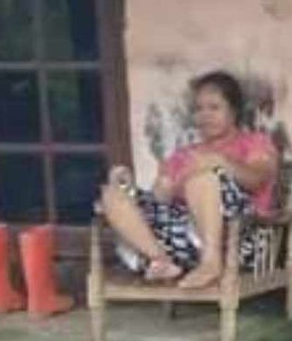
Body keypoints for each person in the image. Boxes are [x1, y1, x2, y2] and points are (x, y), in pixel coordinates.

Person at [98, 71, 279, 290]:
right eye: (199, 109)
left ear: (234, 111)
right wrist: (146, 185)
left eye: (214, 108)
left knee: (201, 177)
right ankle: (160, 260)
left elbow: (258, 178)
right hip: (183, 239)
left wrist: (219, 162)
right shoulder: (184, 154)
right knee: (113, 193)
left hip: (236, 240)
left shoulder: (254, 143)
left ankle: (211, 263)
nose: (205, 116)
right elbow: (159, 200)